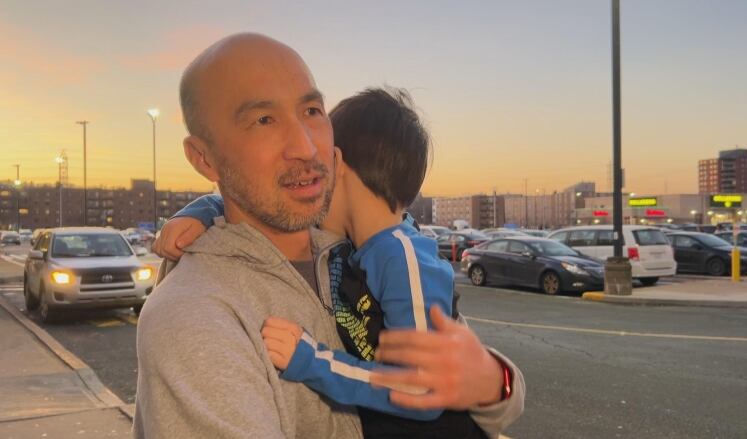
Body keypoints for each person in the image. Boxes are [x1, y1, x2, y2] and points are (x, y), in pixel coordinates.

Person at [134, 33, 523, 439]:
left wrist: (497, 382)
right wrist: (200, 209)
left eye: (312, 110)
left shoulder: (360, 249)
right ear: (204, 158)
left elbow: (477, 393)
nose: (305, 147)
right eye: (263, 119)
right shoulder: (197, 313)